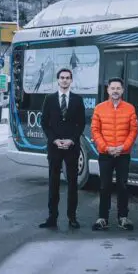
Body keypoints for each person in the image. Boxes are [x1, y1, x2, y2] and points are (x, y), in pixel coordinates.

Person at [38, 68, 86, 229]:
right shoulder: (49, 99)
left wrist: (72, 140)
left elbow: (81, 124)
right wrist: (54, 140)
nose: (64, 80)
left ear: (71, 80)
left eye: (67, 78)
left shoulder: (78, 100)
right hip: (55, 147)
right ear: (58, 80)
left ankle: (72, 217)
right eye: (62, 78)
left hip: (72, 147)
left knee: (72, 183)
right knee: (54, 183)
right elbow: (44, 123)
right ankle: (52, 217)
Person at [90, 77, 138, 231]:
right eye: (113, 88)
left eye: (118, 88)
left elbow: (134, 131)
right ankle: (102, 218)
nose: (115, 91)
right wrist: (106, 147)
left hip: (123, 154)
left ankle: (123, 217)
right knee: (104, 186)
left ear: (123, 90)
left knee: (123, 186)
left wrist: (123, 147)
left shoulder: (130, 108)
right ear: (108, 90)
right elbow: (95, 130)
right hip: (105, 154)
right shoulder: (99, 108)